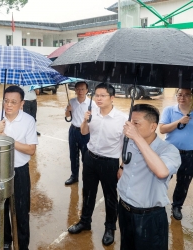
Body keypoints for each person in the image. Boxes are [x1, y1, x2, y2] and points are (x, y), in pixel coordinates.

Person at [67, 83, 127, 246]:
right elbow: (84, 132)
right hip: (90, 158)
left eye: (103, 95)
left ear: (112, 98)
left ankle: (110, 228)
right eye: (97, 95)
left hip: (110, 162)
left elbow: (126, 147)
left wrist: (122, 166)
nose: (98, 98)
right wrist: (85, 121)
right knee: (88, 193)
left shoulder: (122, 119)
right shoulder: (92, 114)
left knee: (110, 196)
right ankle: (85, 222)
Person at [118, 104, 180, 249]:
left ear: (153, 127)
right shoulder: (128, 141)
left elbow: (162, 172)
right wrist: (122, 166)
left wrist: (137, 138)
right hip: (124, 210)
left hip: (149, 217)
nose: (130, 126)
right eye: (130, 121)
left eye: (136, 123)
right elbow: (126, 158)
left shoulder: (169, 150)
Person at [0, 85, 39, 250]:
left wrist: (9, 139)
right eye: (6, 101)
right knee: (0, 209)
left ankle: (23, 245)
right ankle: (6, 241)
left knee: (21, 211)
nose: (8, 105)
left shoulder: (28, 120)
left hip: (20, 172)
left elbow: (31, 149)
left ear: (22, 103)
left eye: (13, 102)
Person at [159, 88, 193, 221]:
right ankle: (158, 202)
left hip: (189, 155)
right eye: (179, 95)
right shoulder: (169, 110)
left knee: (183, 183)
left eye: (186, 95)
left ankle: (177, 206)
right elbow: (162, 129)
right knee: (162, 178)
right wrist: (179, 122)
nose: (182, 98)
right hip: (170, 152)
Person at [64, 81, 97, 185]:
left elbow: (95, 120)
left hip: (86, 132)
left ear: (87, 90)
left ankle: (86, 178)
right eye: (78, 89)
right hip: (73, 130)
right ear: (75, 90)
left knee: (86, 156)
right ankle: (74, 176)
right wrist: (68, 110)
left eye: (82, 89)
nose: (80, 91)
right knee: (73, 155)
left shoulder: (92, 104)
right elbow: (67, 116)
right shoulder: (72, 101)